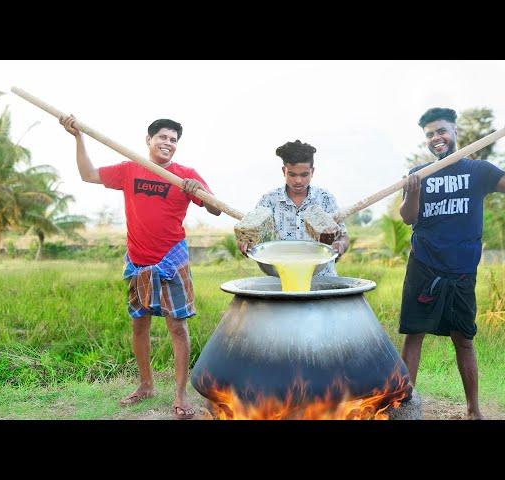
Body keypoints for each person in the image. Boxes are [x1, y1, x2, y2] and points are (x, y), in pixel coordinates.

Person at [60, 115, 222, 419]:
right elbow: (88, 174)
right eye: (162, 137)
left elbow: (214, 209)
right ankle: (145, 385)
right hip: (137, 260)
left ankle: (180, 393)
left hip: (173, 259)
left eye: (173, 140)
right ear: (148, 140)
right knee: (139, 324)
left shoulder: (186, 175)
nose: (168, 144)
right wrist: (78, 138)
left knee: (177, 326)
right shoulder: (130, 169)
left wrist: (197, 189)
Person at [399, 108, 505, 419]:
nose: (436, 138)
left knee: (464, 340)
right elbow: (407, 218)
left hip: (460, 271)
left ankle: (473, 409)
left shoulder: (478, 171)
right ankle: (404, 407)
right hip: (423, 265)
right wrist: (413, 191)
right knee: (413, 335)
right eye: (430, 134)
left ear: (455, 131)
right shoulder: (419, 174)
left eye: (441, 131)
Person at [237, 139, 350, 274]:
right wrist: (245, 243)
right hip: (282, 278)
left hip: (322, 277)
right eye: (292, 174)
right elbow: (252, 235)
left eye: (304, 174)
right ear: (284, 170)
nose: (298, 180)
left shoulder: (325, 198)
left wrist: (340, 245)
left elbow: (343, 236)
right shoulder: (270, 200)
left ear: (312, 171)